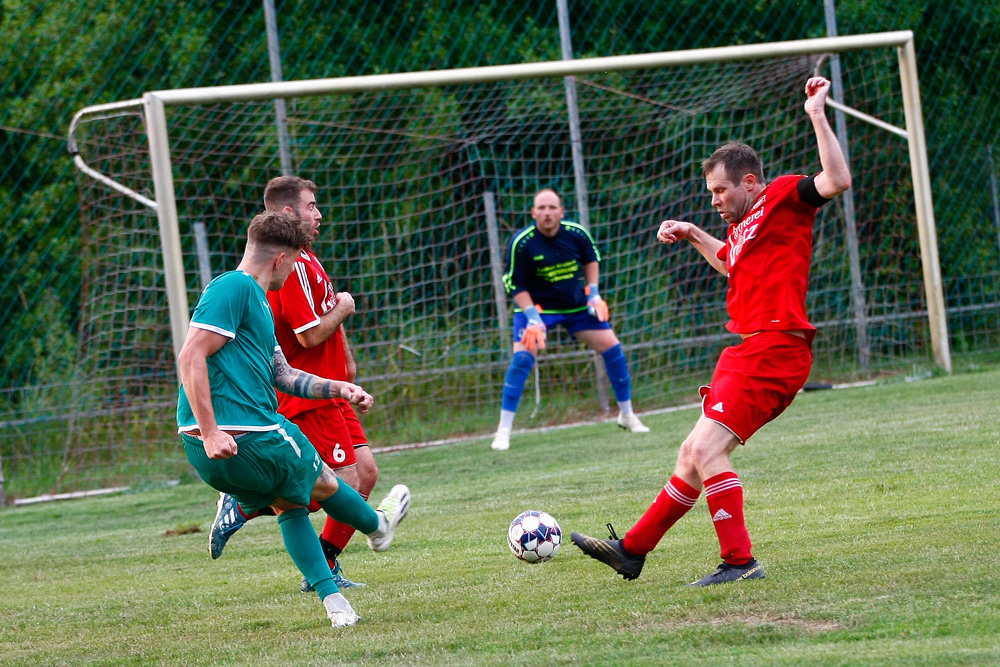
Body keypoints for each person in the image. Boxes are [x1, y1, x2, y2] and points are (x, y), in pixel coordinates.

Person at [571, 77, 851, 586]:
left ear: (749, 182)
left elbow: (835, 179)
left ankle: (739, 562)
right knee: (690, 453)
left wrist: (816, 113)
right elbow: (728, 262)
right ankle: (631, 550)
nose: (715, 199)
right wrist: (693, 231)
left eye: (721, 190)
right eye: (710, 193)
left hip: (776, 346)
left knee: (706, 452)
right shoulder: (739, 228)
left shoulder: (786, 195)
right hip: (748, 350)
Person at [178, 210, 410, 628]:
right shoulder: (233, 287)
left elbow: (283, 375)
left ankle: (337, 607)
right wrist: (212, 431)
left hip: (216, 449)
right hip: (245, 435)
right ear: (282, 259)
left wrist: (340, 388)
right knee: (325, 479)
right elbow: (190, 354)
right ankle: (379, 525)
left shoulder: (257, 305)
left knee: (290, 503)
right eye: (297, 259)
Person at [208, 176, 380, 592]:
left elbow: (326, 324)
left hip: (332, 388)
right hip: (306, 393)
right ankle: (249, 506)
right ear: (288, 213)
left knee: (366, 475)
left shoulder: (308, 257)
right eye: (311, 206)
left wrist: (347, 368)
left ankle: (323, 564)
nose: (319, 214)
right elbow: (308, 334)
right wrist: (345, 306)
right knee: (338, 484)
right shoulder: (292, 265)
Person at [490, 188, 649, 451]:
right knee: (521, 359)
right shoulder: (522, 242)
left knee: (613, 349)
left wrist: (593, 294)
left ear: (561, 212)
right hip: (537, 310)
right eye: (541, 208)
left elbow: (591, 260)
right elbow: (514, 285)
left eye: (552, 207)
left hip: (576, 306)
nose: (547, 213)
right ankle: (503, 430)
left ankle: (627, 414)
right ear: (533, 213)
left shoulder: (576, 233)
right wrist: (532, 318)